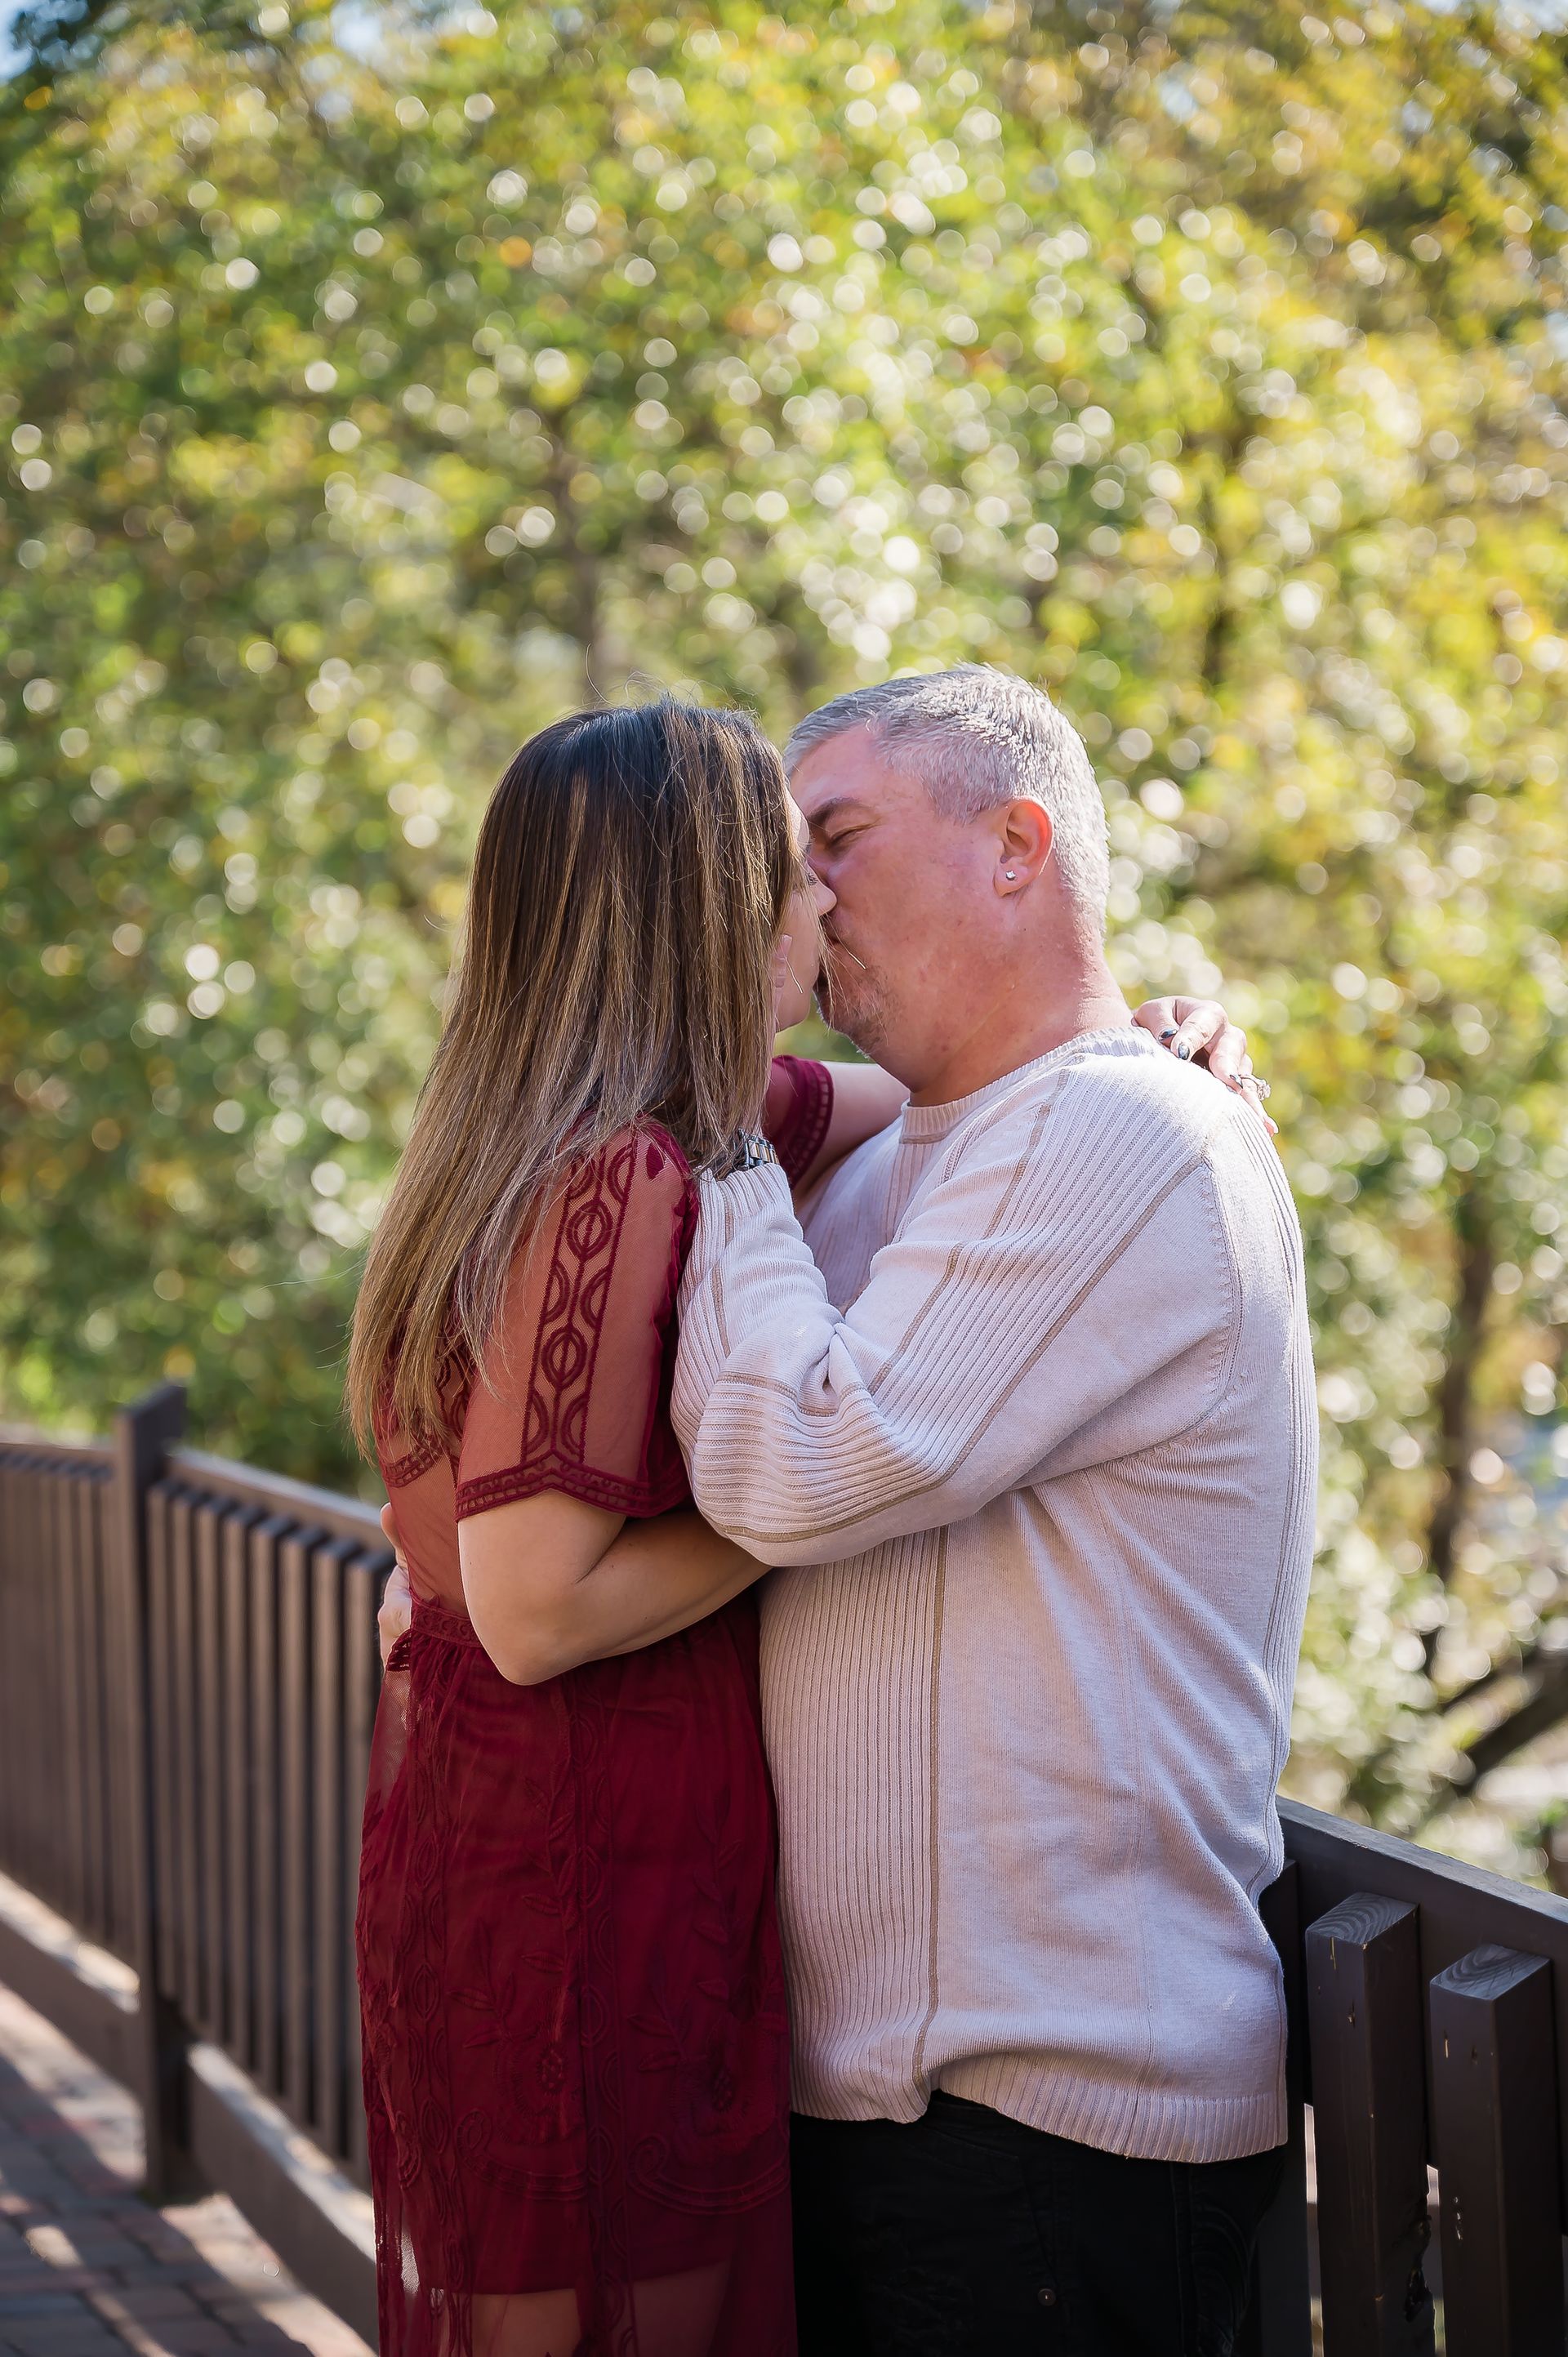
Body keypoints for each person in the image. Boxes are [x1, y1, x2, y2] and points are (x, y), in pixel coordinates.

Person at [670, 666, 1314, 2356]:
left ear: (1020, 843)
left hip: (1047, 2119)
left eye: (839, 840)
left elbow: (792, 1466)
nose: (800, 896)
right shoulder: (900, 1167)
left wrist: (726, 1136)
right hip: (897, 2116)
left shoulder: (1124, 1131)